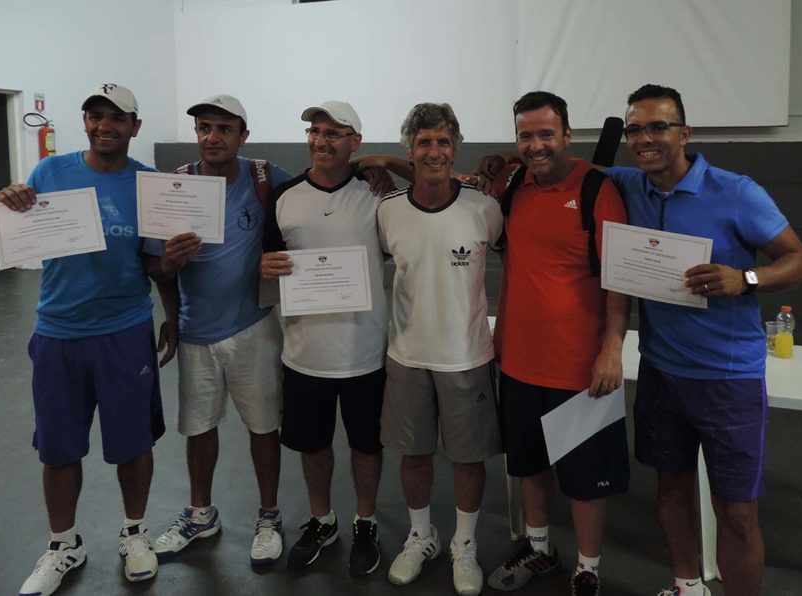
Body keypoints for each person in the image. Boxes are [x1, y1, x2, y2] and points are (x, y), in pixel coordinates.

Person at [604, 84, 802, 596]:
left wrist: (745, 278)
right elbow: (559, 169)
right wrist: (500, 164)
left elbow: (801, 261)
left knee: (737, 511)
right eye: (635, 130)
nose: (645, 139)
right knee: (672, 490)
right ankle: (687, 586)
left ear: (685, 132)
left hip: (728, 379)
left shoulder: (736, 192)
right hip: (660, 372)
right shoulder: (628, 185)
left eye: (658, 126)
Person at [0, 84, 172, 596]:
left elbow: (154, 263)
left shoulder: (149, 183)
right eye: (96, 116)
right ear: (85, 122)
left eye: (116, 118)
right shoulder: (49, 172)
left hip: (125, 331)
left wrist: (174, 278)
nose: (104, 126)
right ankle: (63, 545)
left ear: (135, 126)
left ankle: (134, 534)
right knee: (57, 449)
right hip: (58, 332)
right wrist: (10, 201)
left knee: (134, 444)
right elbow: (23, 225)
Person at [479, 92, 630, 596]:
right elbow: (450, 180)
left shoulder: (597, 189)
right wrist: (382, 163)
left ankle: (588, 567)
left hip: (579, 367)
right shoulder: (513, 184)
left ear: (567, 134)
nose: (536, 145)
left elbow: (618, 280)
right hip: (519, 362)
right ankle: (539, 548)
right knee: (530, 466)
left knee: (586, 480)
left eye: (546, 134)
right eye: (525, 136)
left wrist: (612, 349)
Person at [143, 95, 292, 565]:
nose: (212, 137)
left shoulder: (266, 178)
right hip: (196, 333)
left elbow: (316, 196)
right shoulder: (175, 187)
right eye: (204, 127)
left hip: (255, 327)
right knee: (199, 428)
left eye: (224, 128)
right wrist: (171, 270)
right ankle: (200, 513)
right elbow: (156, 268)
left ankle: (269, 516)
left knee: (263, 427)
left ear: (243, 135)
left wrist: (373, 167)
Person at [377, 103, 503, 596]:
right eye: (424, 142)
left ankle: (464, 544)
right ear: (410, 150)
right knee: (414, 456)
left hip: (467, 356)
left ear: (456, 148)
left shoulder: (484, 208)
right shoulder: (388, 210)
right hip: (407, 355)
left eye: (443, 142)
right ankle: (421, 536)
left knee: (468, 459)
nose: (434, 152)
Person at [260, 101, 387, 577]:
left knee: (366, 445)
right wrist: (264, 266)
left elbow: (434, 185)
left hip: (365, 351)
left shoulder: (378, 194)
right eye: (315, 131)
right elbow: (268, 262)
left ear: (356, 141)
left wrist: (387, 164)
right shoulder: (284, 196)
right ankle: (322, 520)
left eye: (334, 133)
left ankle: (366, 522)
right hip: (304, 352)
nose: (321, 140)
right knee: (313, 444)